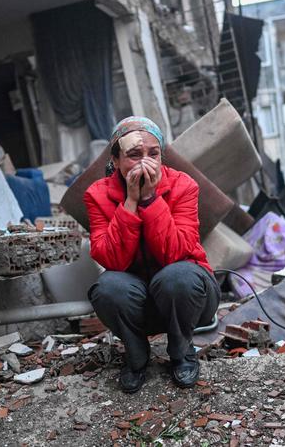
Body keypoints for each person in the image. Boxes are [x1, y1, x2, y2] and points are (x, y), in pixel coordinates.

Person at [84, 116, 220, 393]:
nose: (145, 162)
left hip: (189, 297)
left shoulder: (184, 186)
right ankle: (136, 356)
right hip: (139, 305)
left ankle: (182, 353)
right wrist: (131, 202)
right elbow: (112, 260)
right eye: (134, 155)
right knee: (107, 287)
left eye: (153, 154)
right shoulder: (96, 195)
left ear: (162, 157)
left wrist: (150, 199)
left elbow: (175, 253)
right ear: (116, 160)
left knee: (176, 276)